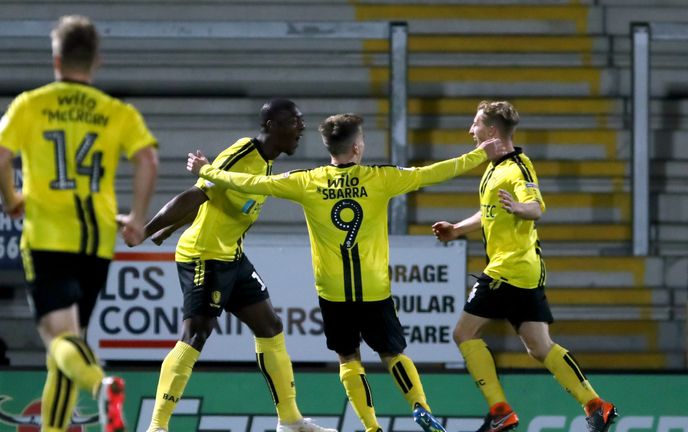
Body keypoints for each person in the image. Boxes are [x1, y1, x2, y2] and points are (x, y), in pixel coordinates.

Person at [187, 113, 499, 432]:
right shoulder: (380, 178)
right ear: (356, 148)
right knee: (392, 352)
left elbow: (252, 182)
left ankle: (371, 427)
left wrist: (206, 170)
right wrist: (478, 154)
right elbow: (433, 173)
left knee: (348, 358)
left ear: (330, 148)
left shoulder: (307, 181)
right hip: (373, 287)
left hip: (333, 291)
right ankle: (420, 405)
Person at [0, 15, 158, 432]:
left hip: (47, 235)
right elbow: (148, 160)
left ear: (56, 59)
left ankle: (102, 386)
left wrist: (12, 199)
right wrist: (136, 218)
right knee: (70, 343)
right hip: (96, 241)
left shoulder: (32, 103)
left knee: (59, 338)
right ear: (97, 61)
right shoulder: (117, 111)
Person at [124, 99, 335, 432]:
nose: (301, 127)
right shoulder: (241, 155)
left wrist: (168, 230)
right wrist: (146, 230)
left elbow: (217, 199)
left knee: (270, 326)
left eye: (301, 120)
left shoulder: (267, 163)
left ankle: (290, 421)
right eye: (293, 121)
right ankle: (157, 426)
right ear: (271, 126)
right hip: (205, 255)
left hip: (232, 256)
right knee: (196, 334)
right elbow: (196, 194)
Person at [431, 100, 618, 432]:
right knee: (539, 347)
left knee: (463, 333)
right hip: (524, 271)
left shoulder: (517, 167)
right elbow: (490, 213)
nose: (470, 130)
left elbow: (535, 208)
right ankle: (596, 404)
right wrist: (458, 229)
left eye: (475, 124)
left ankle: (500, 410)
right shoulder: (494, 168)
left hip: (508, 270)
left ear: (491, 131)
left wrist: (520, 207)